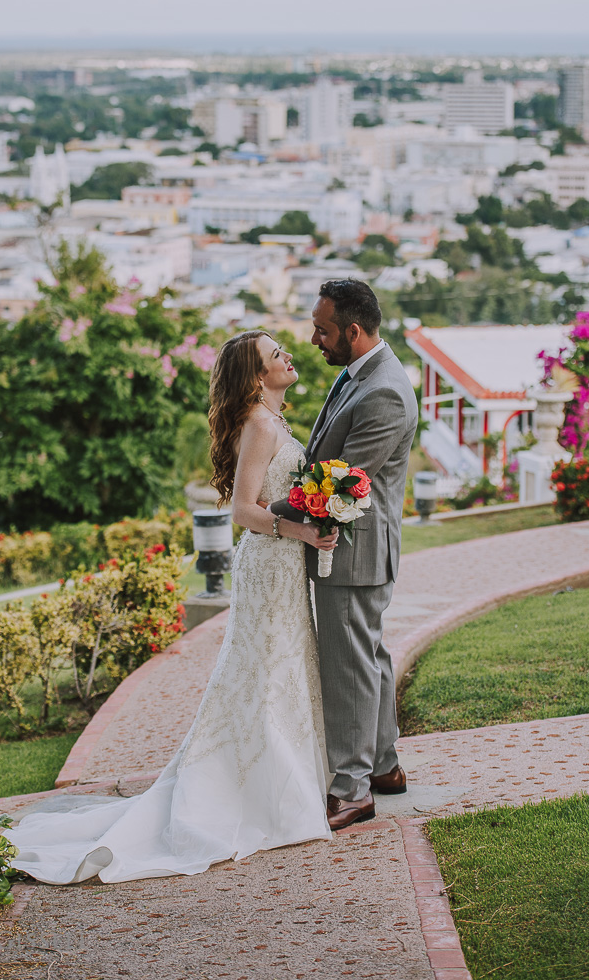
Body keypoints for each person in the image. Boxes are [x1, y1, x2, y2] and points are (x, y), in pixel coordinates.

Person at [5, 330, 338, 884]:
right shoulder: (258, 426)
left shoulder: (274, 421)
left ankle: (289, 778)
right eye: (275, 354)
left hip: (283, 560)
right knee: (264, 669)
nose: (288, 357)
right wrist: (300, 530)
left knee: (279, 667)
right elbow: (241, 509)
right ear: (257, 377)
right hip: (269, 561)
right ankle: (259, 790)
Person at [269, 279, 418, 831]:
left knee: (348, 668)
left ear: (353, 331)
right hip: (355, 550)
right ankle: (384, 765)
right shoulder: (359, 374)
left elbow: (338, 486)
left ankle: (352, 789)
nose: (313, 339)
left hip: (351, 552)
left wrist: (265, 512)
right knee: (369, 656)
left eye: (323, 329)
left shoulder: (384, 391)